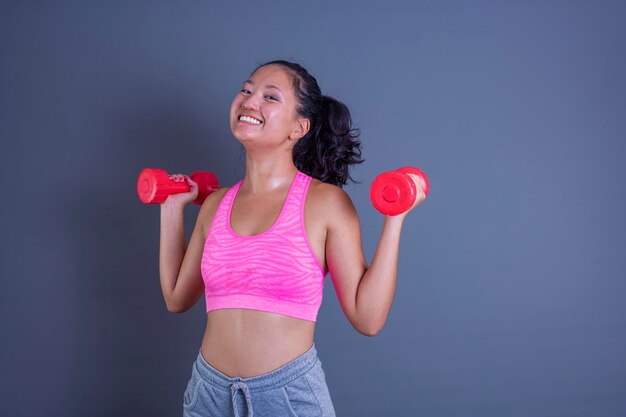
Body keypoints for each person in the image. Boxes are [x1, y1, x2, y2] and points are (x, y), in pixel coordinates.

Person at [159, 59, 426, 417]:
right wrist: (172, 208)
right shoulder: (215, 204)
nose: (250, 101)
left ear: (299, 127)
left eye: (270, 96)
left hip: (286, 398)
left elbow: (368, 319)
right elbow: (177, 297)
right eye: (247, 89)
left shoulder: (325, 203)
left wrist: (394, 220)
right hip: (209, 394)